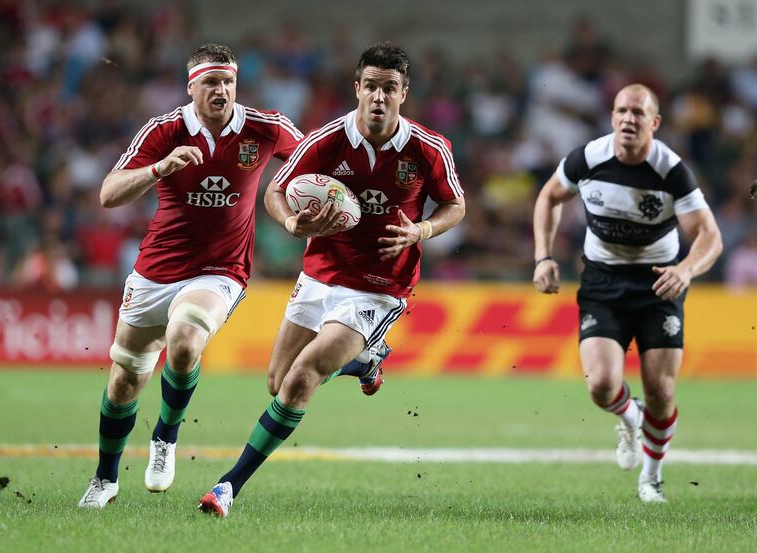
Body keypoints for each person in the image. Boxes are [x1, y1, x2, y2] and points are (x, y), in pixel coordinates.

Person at [197, 42, 466, 517]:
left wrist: (421, 229)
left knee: (301, 379)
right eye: (371, 87)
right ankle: (365, 364)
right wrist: (289, 223)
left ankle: (227, 486)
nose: (379, 97)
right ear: (357, 88)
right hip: (320, 276)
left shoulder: (429, 149)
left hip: (380, 287)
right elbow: (276, 191)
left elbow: (455, 205)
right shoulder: (325, 141)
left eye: (390, 88)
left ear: (404, 93)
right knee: (278, 382)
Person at [76, 43, 309, 508]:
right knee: (125, 378)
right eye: (210, 82)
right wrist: (158, 168)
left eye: (227, 82)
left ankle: (165, 437)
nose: (220, 89)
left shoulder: (266, 128)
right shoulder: (164, 131)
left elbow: (315, 159)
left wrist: (311, 204)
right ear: (191, 88)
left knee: (185, 340)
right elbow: (108, 193)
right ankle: (105, 478)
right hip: (157, 268)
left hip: (222, 269)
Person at [532, 84, 722, 503]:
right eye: (621, 110)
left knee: (662, 391)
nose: (628, 119)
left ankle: (651, 478)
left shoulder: (671, 171)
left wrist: (686, 270)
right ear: (612, 117)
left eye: (638, 112)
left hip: (658, 285)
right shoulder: (588, 158)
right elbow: (549, 196)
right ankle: (629, 416)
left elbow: (710, 235)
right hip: (603, 282)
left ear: (654, 122)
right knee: (600, 384)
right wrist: (543, 256)